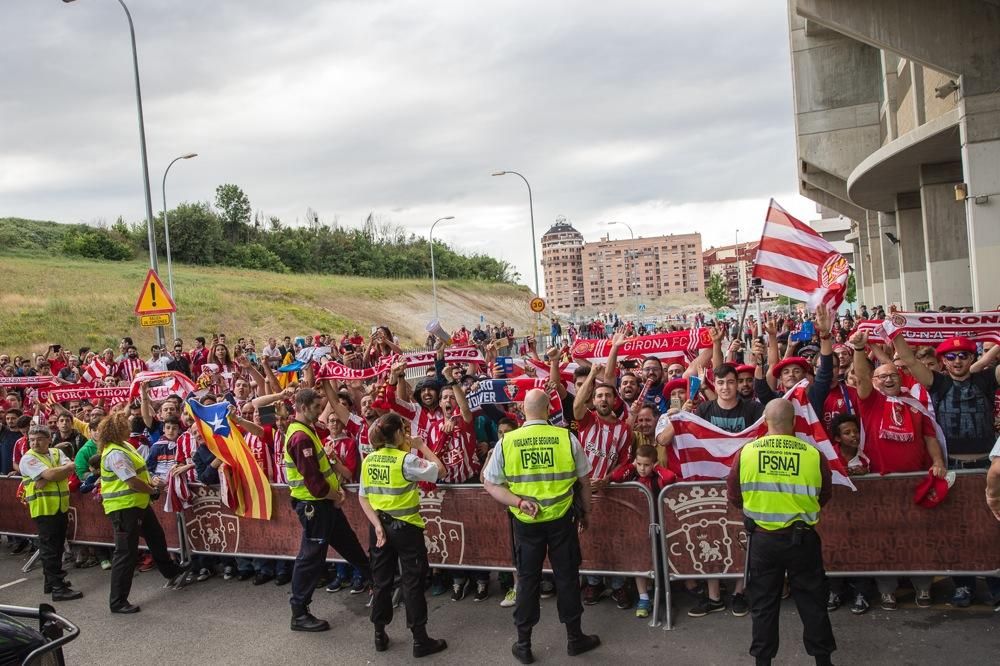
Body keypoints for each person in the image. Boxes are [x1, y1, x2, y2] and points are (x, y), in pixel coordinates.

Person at [483, 388, 600, 665]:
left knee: (527, 581)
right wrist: (586, 513)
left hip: (526, 524)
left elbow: (490, 483)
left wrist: (518, 502)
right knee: (567, 578)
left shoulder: (507, 441)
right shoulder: (565, 437)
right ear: (549, 410)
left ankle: (523, 644)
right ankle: (575, 638)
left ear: (523, 411)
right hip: (562, 521)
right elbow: (584, 481)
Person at [728, 399, 836, 666]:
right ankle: (823, 661)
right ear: (795, 422)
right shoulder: (813, 454)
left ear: (765, 420)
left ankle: (762, 662)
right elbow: (825, 494)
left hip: (763, 541)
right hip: (802, 539)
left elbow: (734, 494)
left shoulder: (747, 452)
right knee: (813, 602)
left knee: (763, 605)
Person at [359, 413, 448, 658]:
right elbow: (440, 470)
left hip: (379, 528)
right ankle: (420, 640)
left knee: (381, 581)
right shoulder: (405, 460)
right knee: (412, 582)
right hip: (406, 529)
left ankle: (379, 634)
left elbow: (363, 497)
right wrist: (422, 446)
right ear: (398, 433)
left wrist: (377, 525)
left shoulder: (369, 460)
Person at [284, 388, 371, 632]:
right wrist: (337, 495)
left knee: (349, 544)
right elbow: (315, 483)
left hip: (324, 504)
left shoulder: (305, 431)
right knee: (311, 557)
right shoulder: (300, 437)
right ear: (302, 407)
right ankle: (299, 611)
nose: (320, 412)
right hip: (315, 505)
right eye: (315, 407)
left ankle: (379, 581)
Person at [97, 411, 185, 613]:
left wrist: (150, 483)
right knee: (126, 553)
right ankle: (118, 601)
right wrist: (152, 489)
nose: (130, 428)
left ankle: (171, 571)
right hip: (124, 508)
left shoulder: (125, 446)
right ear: (117, 430)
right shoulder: (114, 453)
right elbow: (131, 480)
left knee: (156, 537)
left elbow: (140, 473)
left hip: (138, 504)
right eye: (126, 426)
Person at [19, 424, 83, 601]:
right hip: (44, 508)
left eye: (39, 439)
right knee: (49, 549)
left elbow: (61, 472)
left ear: (49, 439)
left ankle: (50, 582)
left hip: (60, 506)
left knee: (56, 546)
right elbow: (53, 475)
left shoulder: (56, 452)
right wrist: (57, 472)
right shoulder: (28, 458)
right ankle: (58, 588)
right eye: (32, 440)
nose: (35, 443)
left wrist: (52, 474)